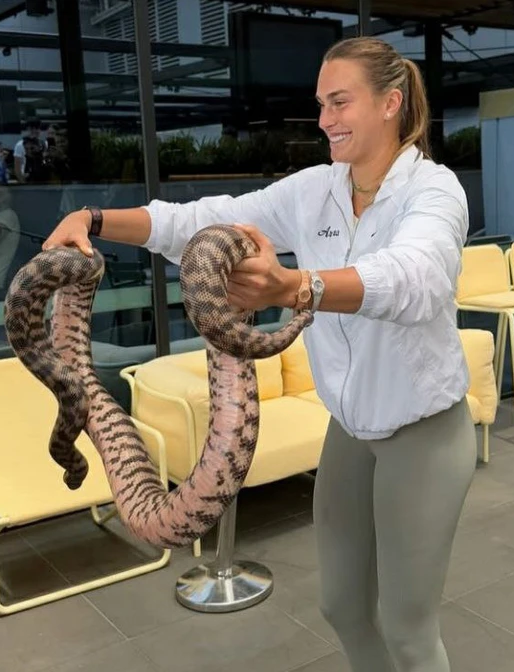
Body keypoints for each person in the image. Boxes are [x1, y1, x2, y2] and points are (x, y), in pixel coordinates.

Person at [43, 36, 476, 672]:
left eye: (340, 102)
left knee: (410, 628)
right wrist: (95, 218)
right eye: (321, 104)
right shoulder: (314, 192)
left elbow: (417, 277)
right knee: (343, 607)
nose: (326, 119)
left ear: (391, 102)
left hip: (425, 435)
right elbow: (201, 218)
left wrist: (296, 286)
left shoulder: (435, 192)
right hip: (351, 431)